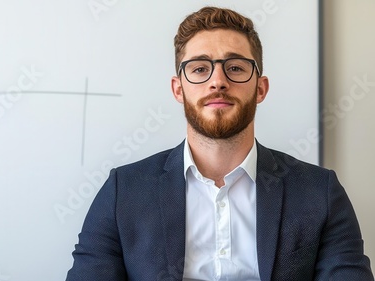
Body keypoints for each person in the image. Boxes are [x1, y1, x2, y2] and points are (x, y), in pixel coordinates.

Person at [66, 6, 374, 281]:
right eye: (200, 69)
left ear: (261, 88)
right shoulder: (123, 191)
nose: (218, 81)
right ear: (178, 89)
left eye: (236, 67)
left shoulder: (319, 192)